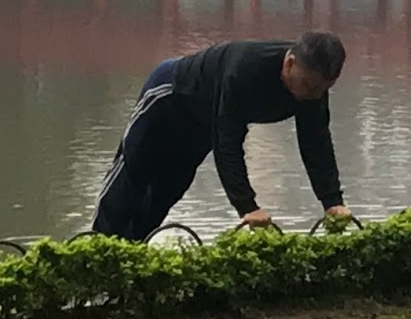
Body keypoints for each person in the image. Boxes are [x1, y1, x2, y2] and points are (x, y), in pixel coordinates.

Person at [92, 32, 353, 241]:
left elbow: (316, 143)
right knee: (133, 173)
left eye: (323, 89)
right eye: (309, 86)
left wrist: (332, 201)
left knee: (167, 190)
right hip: (169, 97)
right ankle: (96, 247)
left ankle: (130, 252)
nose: (314, 95)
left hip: (204, 122)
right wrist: (247, 206)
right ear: (290, 63)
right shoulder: (245, 69)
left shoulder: (313, 91)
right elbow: (228, 143)